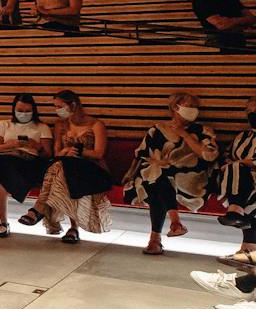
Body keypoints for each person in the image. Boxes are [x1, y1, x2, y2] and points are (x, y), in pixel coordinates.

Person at [125, 92, 218, 256]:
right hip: (155, 175)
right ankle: (174, 223)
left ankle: (156, 239)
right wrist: (130, 173)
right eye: (190, 106)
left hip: (190, 178)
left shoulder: (202, 130)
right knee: (156, 174)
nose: (194, 110)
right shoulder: (157, 129)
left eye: (196, 107)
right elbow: (141, 154)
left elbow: (208, 155)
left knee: (155, 179)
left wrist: (185, 135)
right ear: (175, 108)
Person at [32, 90, 114, 243]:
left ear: (73, 105)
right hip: (66, 166)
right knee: (63, 170)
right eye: (55, 107)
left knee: (63, 170)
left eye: (60, 106)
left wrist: (81, 151)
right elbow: (56, 152)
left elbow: (99, 154)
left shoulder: (95, 125)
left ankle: (41, 207)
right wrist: (66, 151)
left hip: (92, 168)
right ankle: (72, 227)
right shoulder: (60, 126)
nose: (57, 110)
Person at [0, 94, 53, 238]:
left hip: (31, 163)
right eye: (20, 110)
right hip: (6, 160)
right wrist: (10, 145)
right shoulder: (4, 124)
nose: (23, 114)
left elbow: (48, 155)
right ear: (14, 109)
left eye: (27, 111)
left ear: (33, 111)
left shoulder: (42, 127)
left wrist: (36, 146)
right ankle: (3, 222)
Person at [213, 91, 256, 268]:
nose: (252, 113)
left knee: (250, 195)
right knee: (236, 170)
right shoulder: (242, 136)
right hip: (235, 180)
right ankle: (248, 251)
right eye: (250, 110)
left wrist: (247, 163)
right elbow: (227, 156)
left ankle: (235, 211)